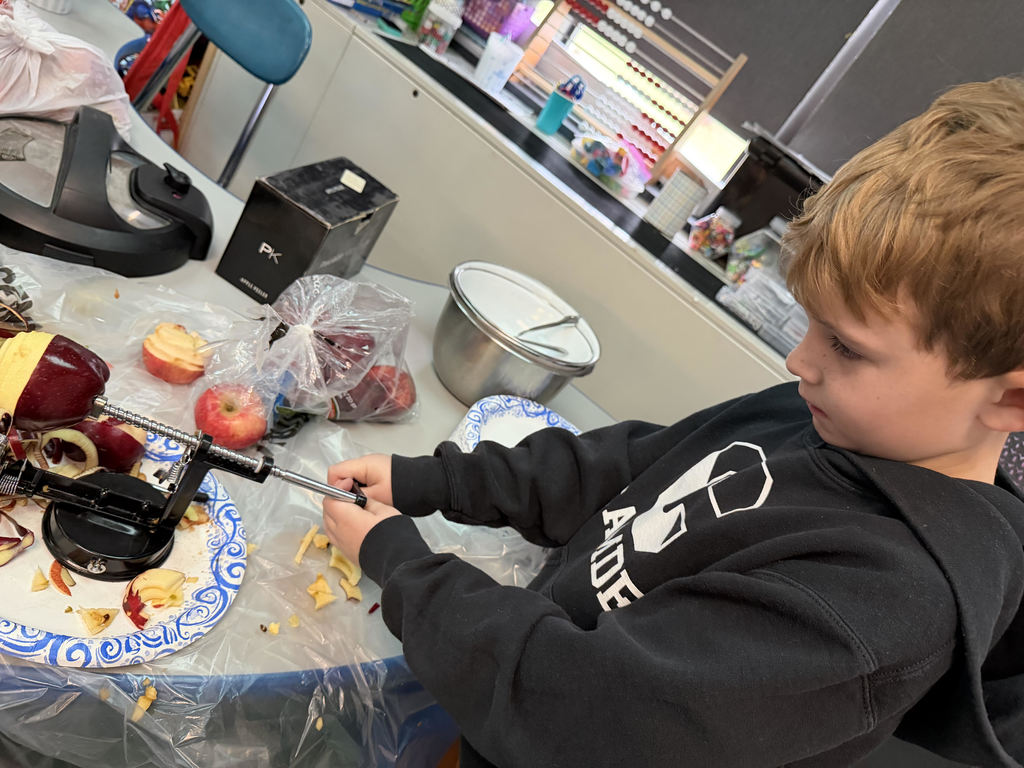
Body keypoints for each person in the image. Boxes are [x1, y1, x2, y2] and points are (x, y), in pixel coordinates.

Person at [322, 77, 1024, 768]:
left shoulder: (880, 602)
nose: (798, 361)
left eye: (846, 346)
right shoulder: (829, 415)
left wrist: (404, 566)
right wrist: (437, 481)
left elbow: (575, 709)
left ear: (1011, 402)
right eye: (811, 325)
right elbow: (624, 466)